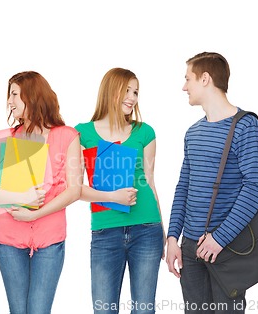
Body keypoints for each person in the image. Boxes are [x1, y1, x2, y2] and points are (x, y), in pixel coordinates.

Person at [166, 52, 258, 314]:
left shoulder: (247, 126)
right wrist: (173, 237)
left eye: (188, 79)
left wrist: (219, 239)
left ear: (205, 79)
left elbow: (254, 188)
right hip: (189, 248)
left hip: (227, 247)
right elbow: (183, 186)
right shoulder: (193, 132)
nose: (184, 86)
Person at [0, 71, 82, 314]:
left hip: (49, 237)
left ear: (32, 96)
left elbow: (75, 189)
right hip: (9, 237)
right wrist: (22, 199)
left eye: (14, 94)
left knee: (38, 311)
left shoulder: (67, 136)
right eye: (9, 95)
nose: (10, 101)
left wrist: (35, 213)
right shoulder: (2, 139)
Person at [75, 68, 165, 314]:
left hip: (147, 228)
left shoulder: (145, 132)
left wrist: (163, 233)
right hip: (105, 231)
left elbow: (150, 181)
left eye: (135, 92)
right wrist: (112, 197)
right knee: (104, 310)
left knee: (144, 309)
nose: (132, 97)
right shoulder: (82, 133)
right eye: (126, 90)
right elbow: (74, 189)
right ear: (109, 91)